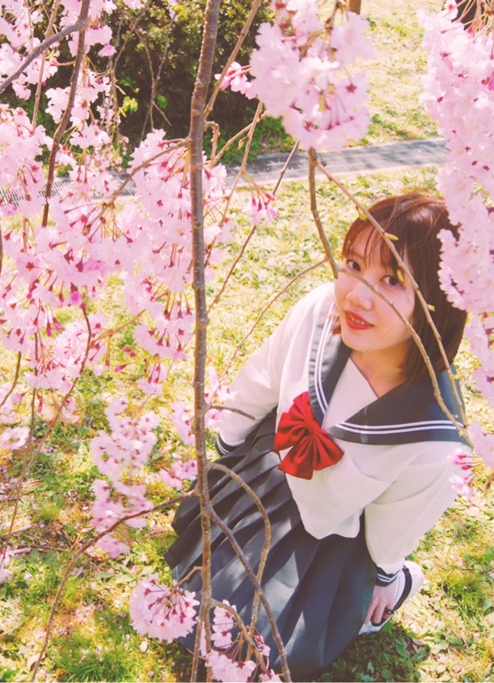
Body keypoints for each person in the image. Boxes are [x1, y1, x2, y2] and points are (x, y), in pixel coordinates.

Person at [165, 194, 472, 679]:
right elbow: (262, 378)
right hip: (266, 475)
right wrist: (221, 463)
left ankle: (397, 587)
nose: (357, 295)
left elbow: (397, 521)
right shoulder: (319, 312)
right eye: (354, 265)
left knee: (261, 650)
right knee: (194, 593)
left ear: (439, 302)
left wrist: (385, 574)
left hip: (332, 536)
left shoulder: (435, 440)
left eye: (392, 280)